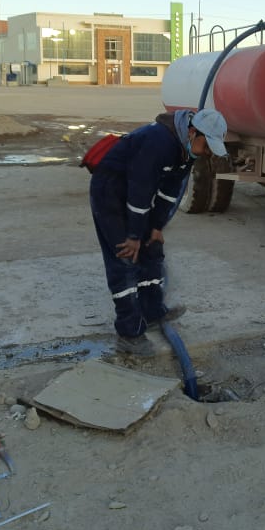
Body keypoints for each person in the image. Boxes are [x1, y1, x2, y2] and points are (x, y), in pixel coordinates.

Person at [89, 107, 228, 356]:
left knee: (152, 248)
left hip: (135, 195)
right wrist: (133, 236)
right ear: (194, 132)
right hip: (110, 191)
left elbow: (169, 191)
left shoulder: (188, 152)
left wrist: (155, 227)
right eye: (207, 146)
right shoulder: (159, 142)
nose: (208, 153)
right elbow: (140, 191)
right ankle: (129, 334)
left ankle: (151, 311)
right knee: (125, 257)